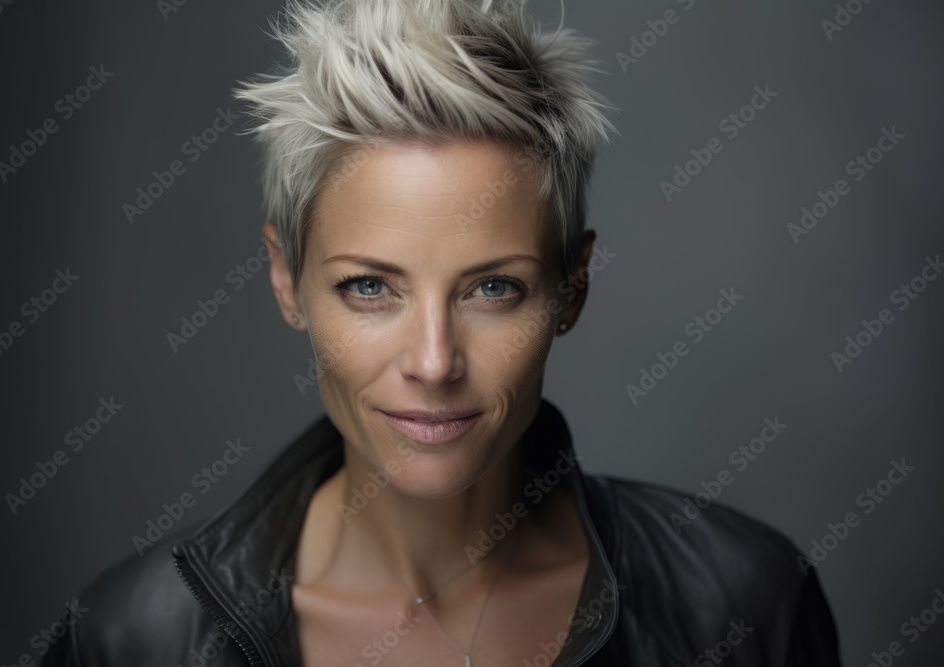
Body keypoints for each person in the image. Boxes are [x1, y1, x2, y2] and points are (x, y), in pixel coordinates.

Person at [43, 0, 842, 664]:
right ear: (287, 280)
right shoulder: (128, 638)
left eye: (494, 288)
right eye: (369, 287)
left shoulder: (743, 605)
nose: (433, 361)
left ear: (573, 286)